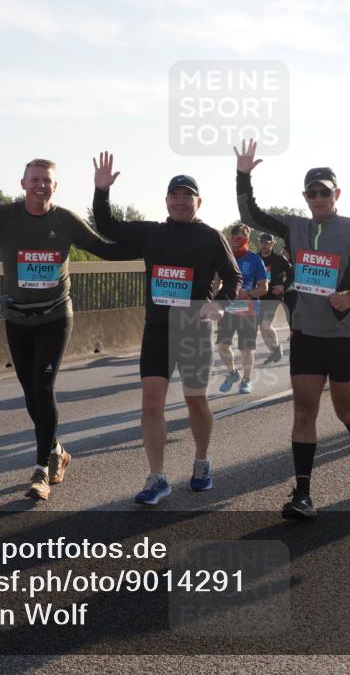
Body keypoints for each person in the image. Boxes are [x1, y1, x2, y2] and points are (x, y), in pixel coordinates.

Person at [0, 155, 138, 501]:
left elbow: (105, 250)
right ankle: (58, 451)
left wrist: (108, 200)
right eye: (34, 179)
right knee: (31, 393)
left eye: (46, 180)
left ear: (55, 186)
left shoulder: (66, 221)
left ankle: (40, 471)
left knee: (43, 386)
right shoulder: (3, 217)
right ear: (23, 184)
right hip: (18, 318)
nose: (40, 185)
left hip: (55, 316)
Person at [233, 139, 350, 520]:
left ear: (336, 194)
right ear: (304, 196)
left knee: (345, 410)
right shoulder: (295, 227)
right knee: (304, 410)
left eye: (325, 192)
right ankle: (302, 494)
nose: (318, 198)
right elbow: (251, 214)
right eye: (312, 192)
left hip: (342, 335)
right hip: (306, 333)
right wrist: (243, 176)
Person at [92, 152, 241, 505]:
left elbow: (233, 275)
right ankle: (157, 477)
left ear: (198, 202)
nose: (179, 201)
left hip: (194, 330)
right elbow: (108, 227)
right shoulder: (152, 233)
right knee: (152, 403)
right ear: (166, 201)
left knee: (195, 400)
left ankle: (201, 461)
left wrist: (220, 302)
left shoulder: (211, 236)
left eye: (187, 196)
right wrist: (101, 191)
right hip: (158, 329)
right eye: (174, 195)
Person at [217, 224, 268, 394]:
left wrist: (248, 292)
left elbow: (264, 288)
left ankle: (246, 380)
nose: (235, 242)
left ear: (246, 239)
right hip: (229, 308)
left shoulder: (255, 259)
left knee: (246, 348)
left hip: (248, 308)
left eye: (238, 238)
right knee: (223, 346)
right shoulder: (225, 257)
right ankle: (232, 373)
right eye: (232, 238)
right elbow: (217, 281)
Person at [256, 232, 293, 363]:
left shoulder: (279, 259)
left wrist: (283, 286)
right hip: (259, 296)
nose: (264, 245)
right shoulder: (256, 258)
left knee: (266, 325)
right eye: (262, 242)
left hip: (274, 296)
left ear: (273, 243)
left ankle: (277, 348)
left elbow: (292, 273)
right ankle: (273, 351)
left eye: (267, 243)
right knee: (261, 327)